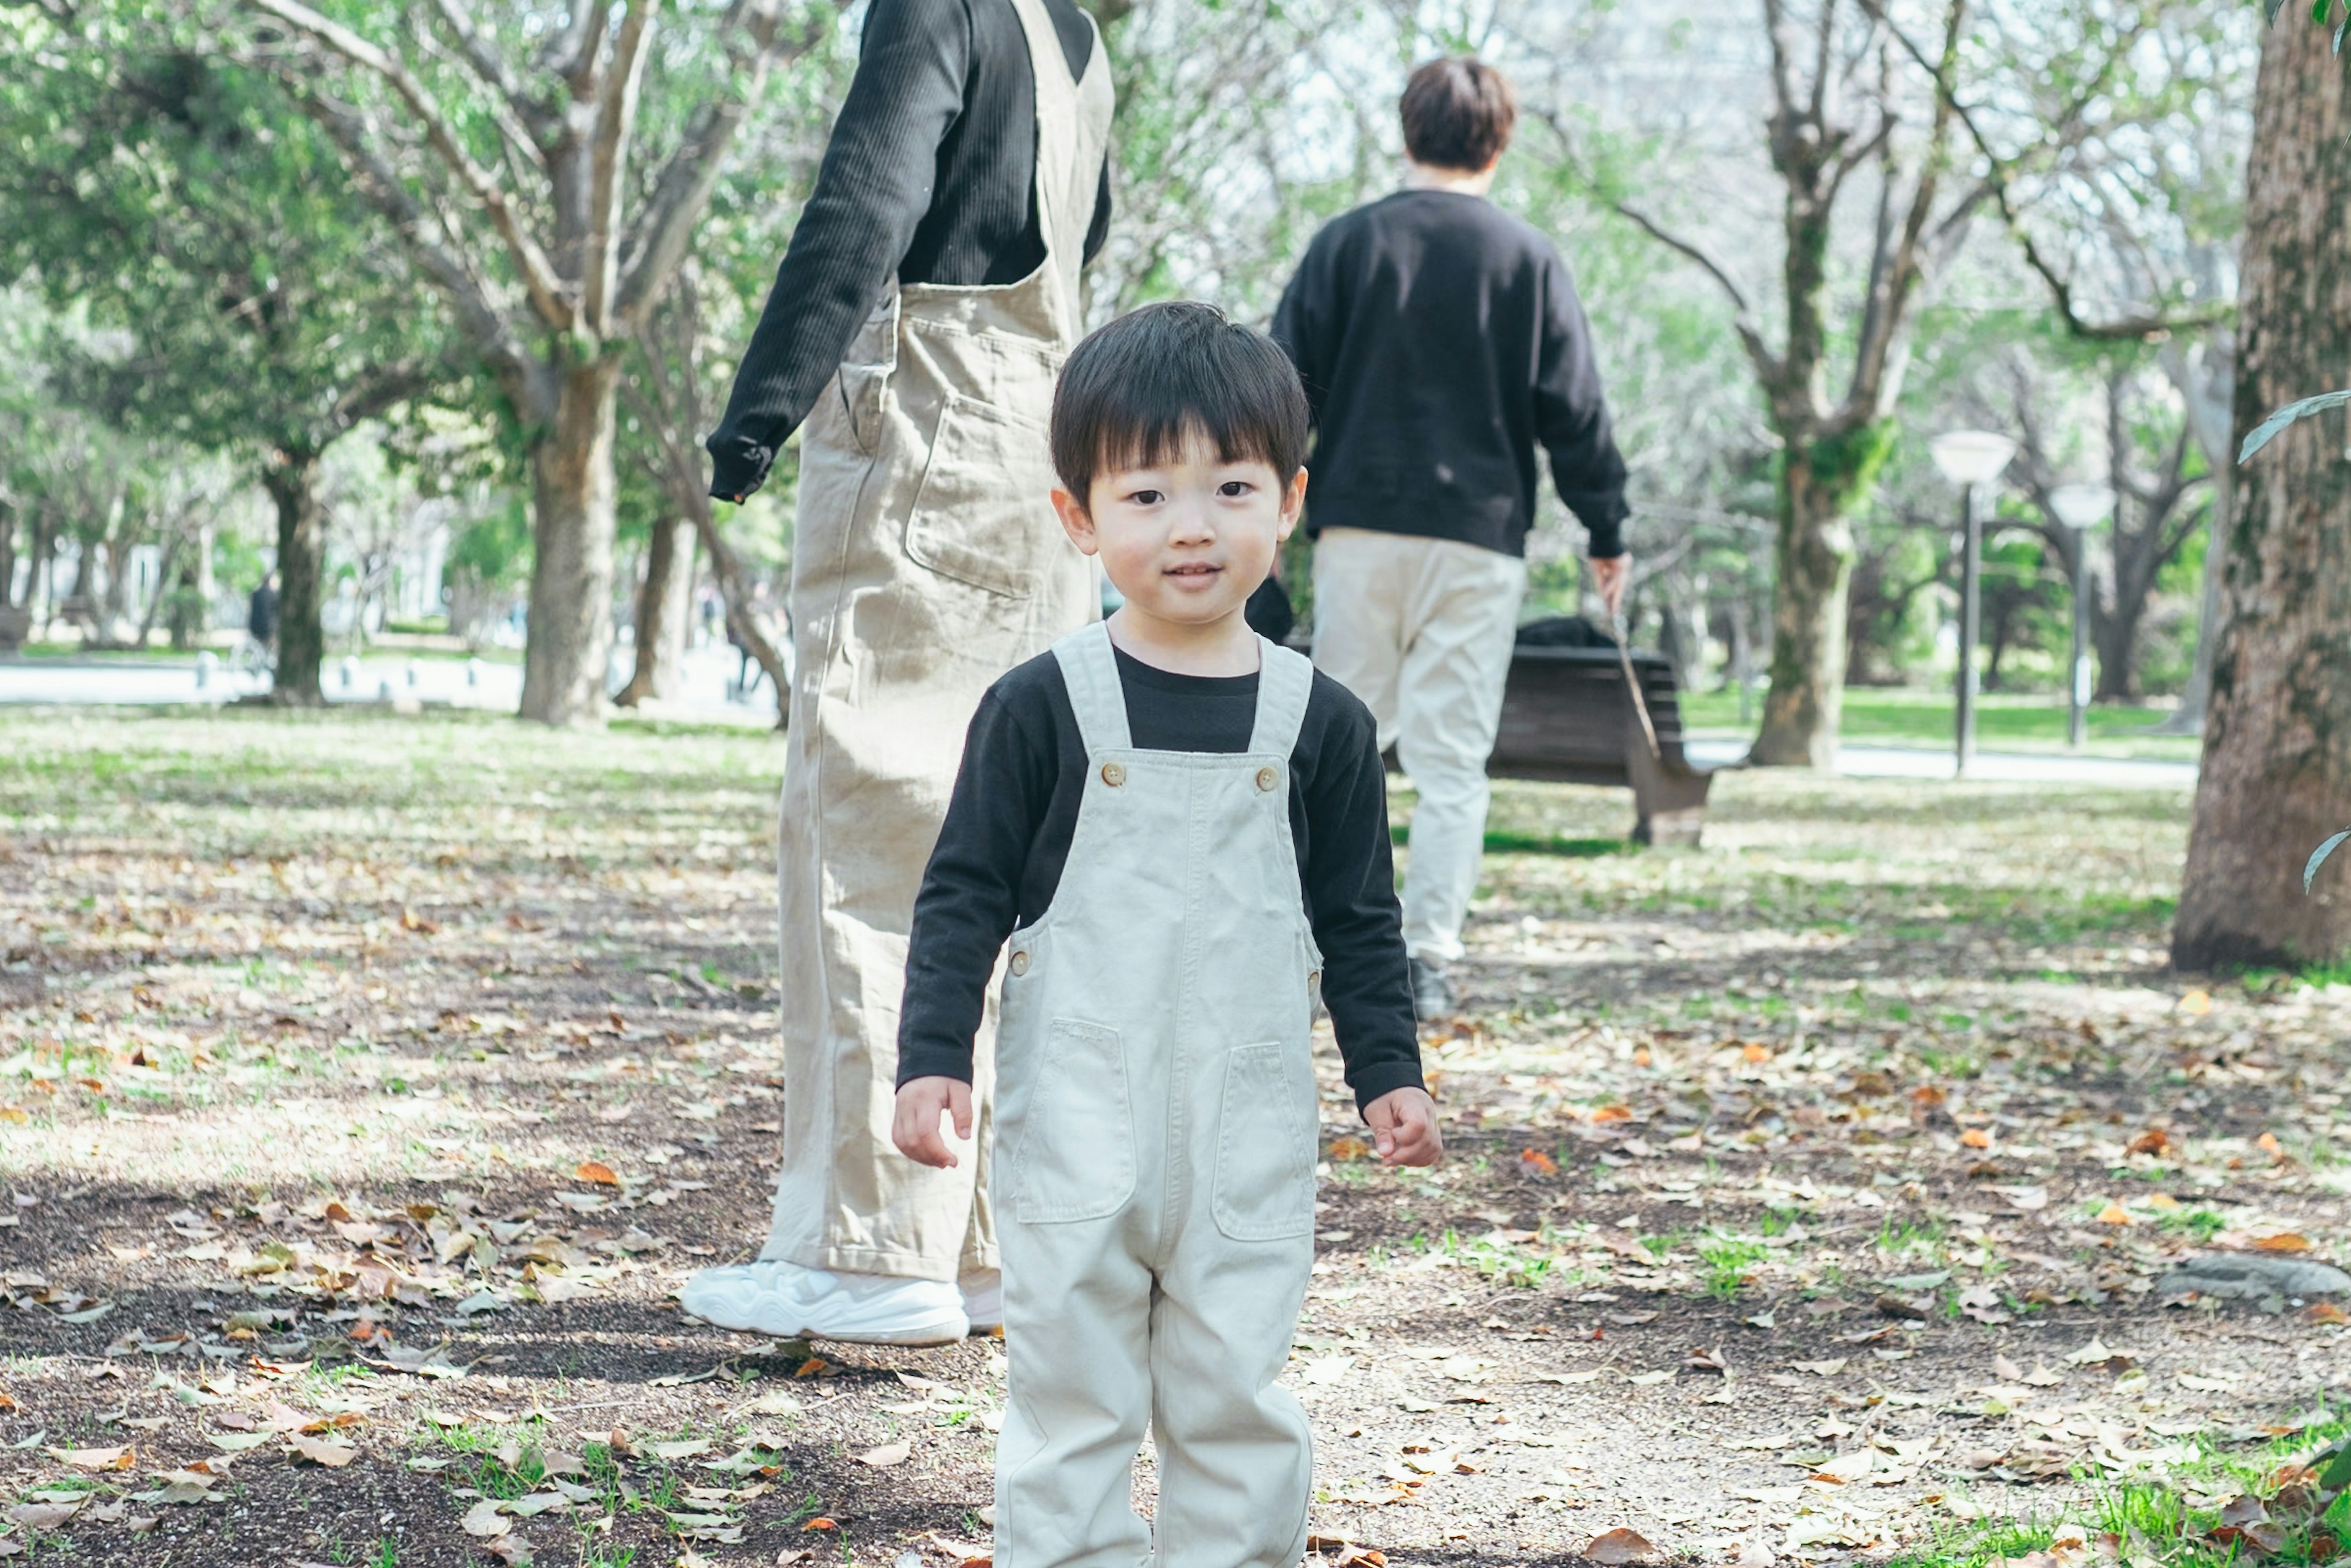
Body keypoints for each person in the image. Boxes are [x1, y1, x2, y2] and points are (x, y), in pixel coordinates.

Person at [891, 301, 1440, 1568]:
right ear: (1077, 516)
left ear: (1290, 500)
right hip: (1076, 1119)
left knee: (1233, 1389)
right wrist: (930, 1056)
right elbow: (963, 890)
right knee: (1073, 1393)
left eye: (1230, 486)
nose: (1192, 526)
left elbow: (1359, 919)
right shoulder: (1041, 707)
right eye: (1146, 494)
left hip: (1245, 1130)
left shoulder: (1324, 726)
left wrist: (1388, 1072)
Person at [684, 0, 1116, 1345]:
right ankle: (971, 1246)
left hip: (923, 425)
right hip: (1039, 447)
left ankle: (869, 1255)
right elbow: (1080, 244)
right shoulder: (1075, 39)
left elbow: (865, 200)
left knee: (875, 827)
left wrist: (758, 414)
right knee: (999, 846)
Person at [1272, 57, 1632, 1021]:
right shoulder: (1529, 258)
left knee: (1342, 747)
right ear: (1501, 140)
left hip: (1356, 529)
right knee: (1450, 762)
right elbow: (1576, 408)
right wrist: (1606, 525)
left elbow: (1277, 390)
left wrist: (1264, 510)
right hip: (1478, 539)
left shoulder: (1347, 244)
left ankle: (1316, 946)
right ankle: (1424, 958)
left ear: (1407, 130)